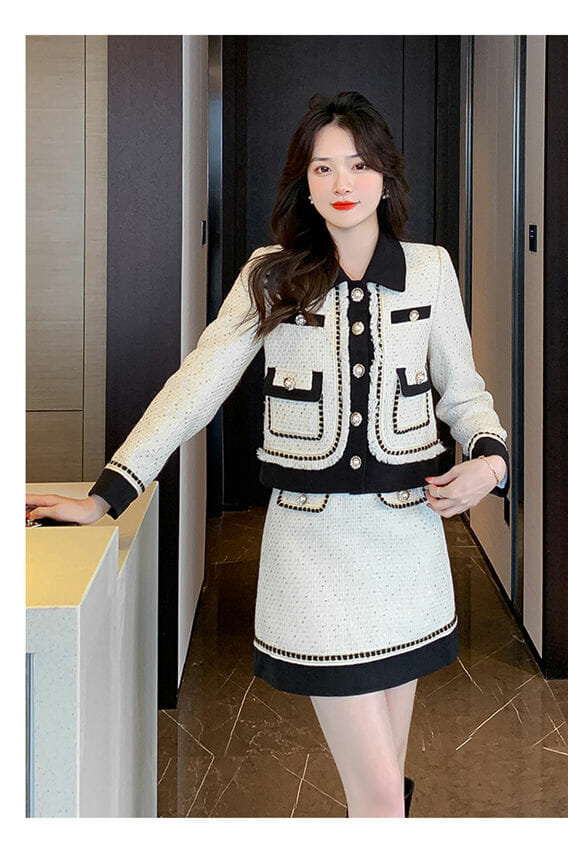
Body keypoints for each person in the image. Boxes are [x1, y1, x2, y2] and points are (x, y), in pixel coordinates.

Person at [26, 91, 509, 818]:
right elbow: (198, 384)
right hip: (312, 550)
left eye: (359, 164)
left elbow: (464, 392)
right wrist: (107, 494)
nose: (342, 183)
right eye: (323, 167)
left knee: (384, 786)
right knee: (381, 792)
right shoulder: (271, 273)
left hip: (407, 547)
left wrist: (490, 463)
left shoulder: (431, 270)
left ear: (385, 177)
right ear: (304, 183)